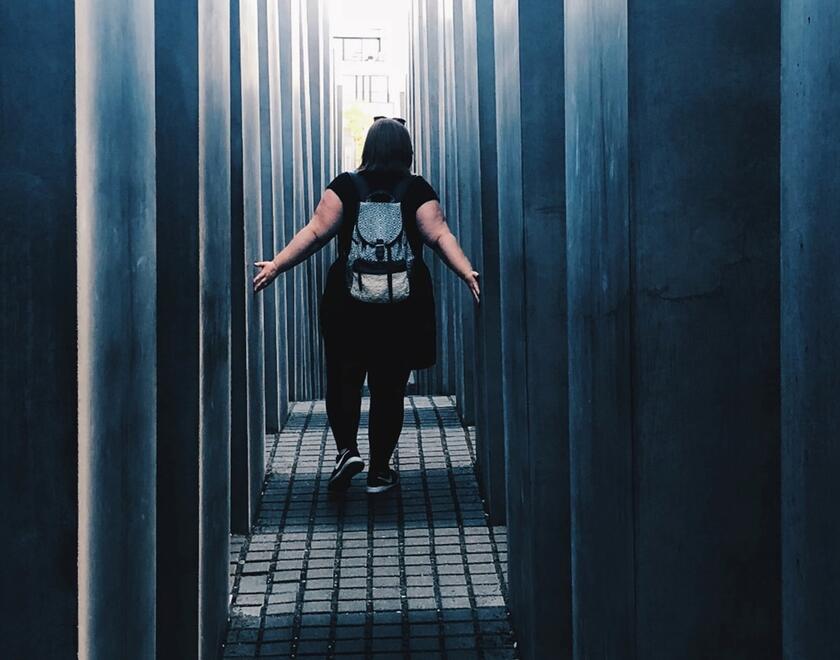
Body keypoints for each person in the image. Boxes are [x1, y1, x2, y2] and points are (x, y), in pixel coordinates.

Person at [253, 117, 479, 494]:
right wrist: (466, 272)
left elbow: (315, 232)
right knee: (388, 388)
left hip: (348, 306)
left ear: (368, 148)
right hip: (400, 309)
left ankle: (346, 451)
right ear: (406, 150)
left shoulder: (345, 185)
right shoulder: (416, 188)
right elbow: (439, 235)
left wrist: (277, 264)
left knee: (344, 381)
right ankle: (379, 469)